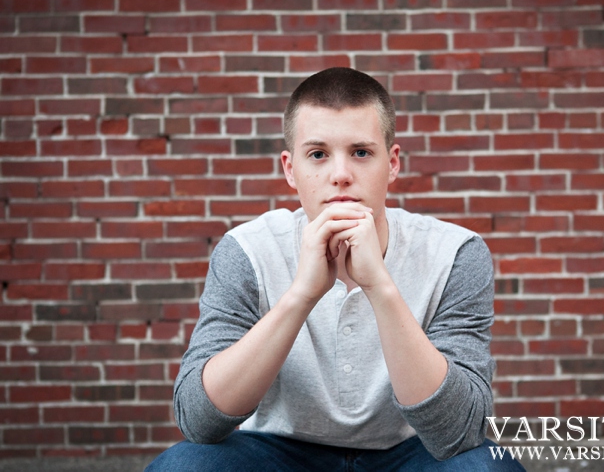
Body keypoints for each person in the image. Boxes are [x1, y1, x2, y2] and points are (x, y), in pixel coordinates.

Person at [146, 68, 525, 471]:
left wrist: (380, 286)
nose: (341, 174)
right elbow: (198, 420)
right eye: (318, 154)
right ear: (291, 169)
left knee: (487, 466)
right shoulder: (247, 251)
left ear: (392, 163)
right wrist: (301, 295)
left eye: (361, 152)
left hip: (412, 456)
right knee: (184, 465)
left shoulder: (456, 254)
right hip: (276, 453)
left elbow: (459, 432)